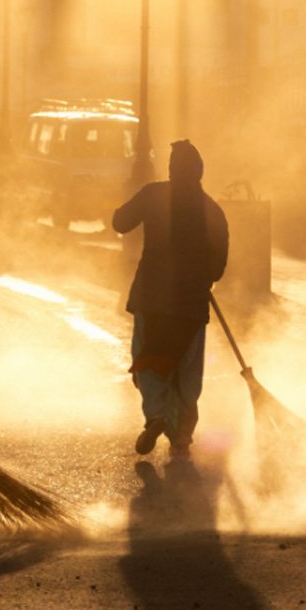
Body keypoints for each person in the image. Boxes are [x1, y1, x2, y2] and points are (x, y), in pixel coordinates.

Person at [112, 140, 229, 459]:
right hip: (191, 305)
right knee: (187, 370)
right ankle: (182, 433)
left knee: (150, 359)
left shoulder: (153, 194)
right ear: (200, 172)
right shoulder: (212, 209)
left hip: (152, 298)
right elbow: (219, 265)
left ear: (171, 169)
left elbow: (120, 222)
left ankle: (156, 415)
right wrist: (203, 275)